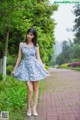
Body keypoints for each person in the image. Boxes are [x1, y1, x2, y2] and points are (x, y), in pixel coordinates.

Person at [11, 27, 50, 117]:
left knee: (36, 89)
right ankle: (28, 107)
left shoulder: (36, 45)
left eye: (31, 35)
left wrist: (44, 70)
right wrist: (14, 69)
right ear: (26, 34)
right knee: (30, 89)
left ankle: (34, 108)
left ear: (33, 36)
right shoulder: (21, 44)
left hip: (35, 68)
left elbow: (39, 58)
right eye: (28, 33)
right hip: (25, 68)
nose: (29, 36)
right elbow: (19, 57)